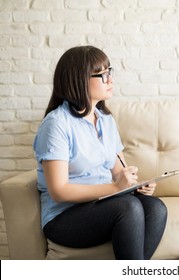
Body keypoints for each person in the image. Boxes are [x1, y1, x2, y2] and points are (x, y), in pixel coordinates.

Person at [33, 46, 167, 260]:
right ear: (79, 79)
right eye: (103, 75)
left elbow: (118, 171)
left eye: (109, 72)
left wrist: (134, 185)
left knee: (156, 208)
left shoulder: (105, 119)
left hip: (101, 206)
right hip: (64, 216)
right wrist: (115, 187)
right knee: (128, 208)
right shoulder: (56, 124)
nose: (110, 80)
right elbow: (59, 191)